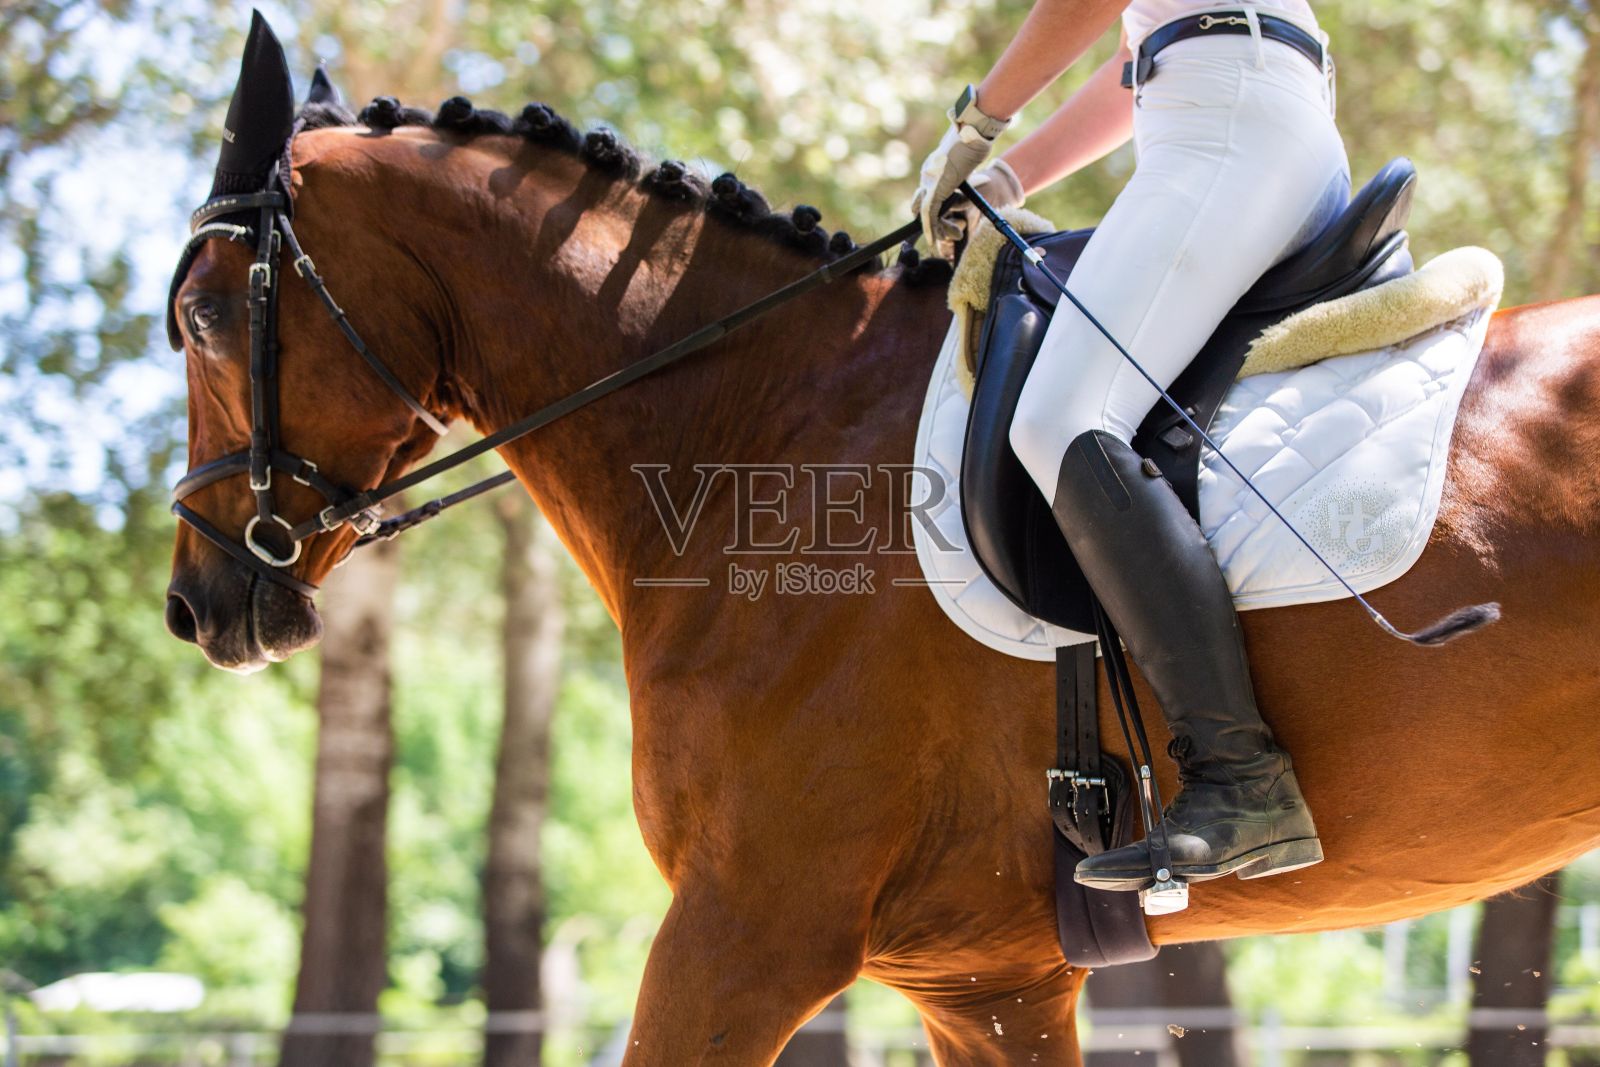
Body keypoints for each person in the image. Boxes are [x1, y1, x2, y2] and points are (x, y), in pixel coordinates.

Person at [912, 0, 1350, 891]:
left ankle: (1241, 777)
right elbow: (1134, 66)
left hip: (1226, 124)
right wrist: (1004, 181)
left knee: (1061, 417)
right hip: (1251, 111)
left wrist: (976, 120)